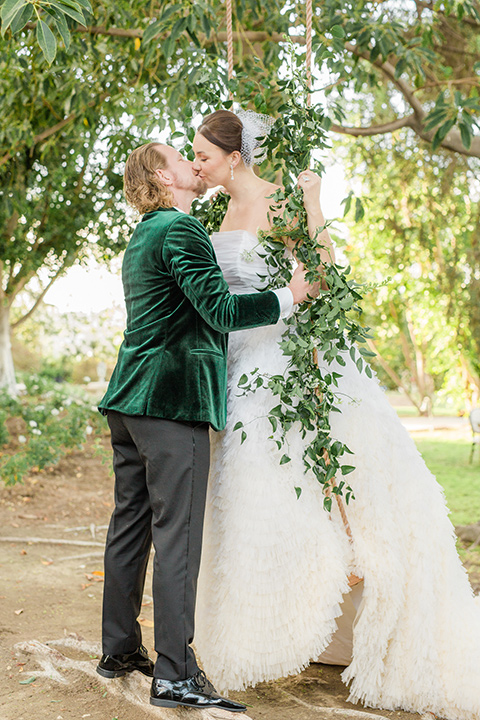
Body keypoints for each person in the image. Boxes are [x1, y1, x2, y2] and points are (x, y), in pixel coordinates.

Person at [191, 109, 480, 720]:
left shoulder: (281, 200)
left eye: (205, 156)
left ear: (235, 157)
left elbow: (319, 274)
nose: (197, 165)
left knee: (308, 486)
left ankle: (340, 604)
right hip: (238, 366)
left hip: (283, 362)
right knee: (252, 498)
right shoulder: (216, 214)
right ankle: (258, 636)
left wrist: (315, 199)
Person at [95, 140, 317, 712]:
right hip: (171, 403)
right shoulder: (180, 229)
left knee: (130, 528)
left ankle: (119, 649)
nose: (192, 164)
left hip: (129, 401)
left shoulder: (145, 231)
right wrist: (288, 297)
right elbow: (219, 311)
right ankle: (174, 674)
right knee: (178, 538)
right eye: (180, 158)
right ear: (161, 178)